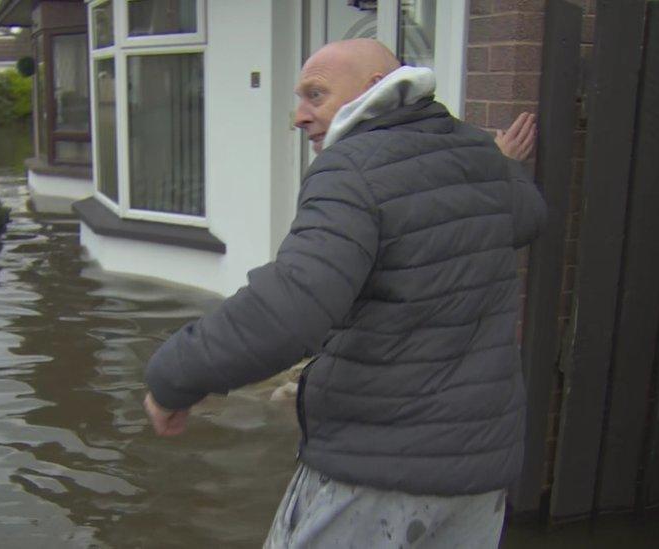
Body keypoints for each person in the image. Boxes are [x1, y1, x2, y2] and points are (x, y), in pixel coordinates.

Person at [143, 38, 546, 547]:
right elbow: (529, 217)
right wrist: (503, 164)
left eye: (316, 95)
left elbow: (290, 310)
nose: (299, 116)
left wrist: (172, 376)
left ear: (375, 89)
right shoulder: (476, 153)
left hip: (375, 473)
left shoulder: (349, 167)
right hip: (479, 478)